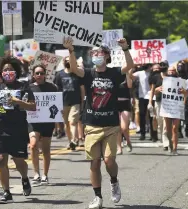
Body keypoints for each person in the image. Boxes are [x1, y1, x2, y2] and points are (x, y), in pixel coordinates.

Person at [62, 37, 133, 209]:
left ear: (107, 56)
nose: (96, 55)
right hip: (92, 124)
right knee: (94, 163)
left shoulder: (114, 73)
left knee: (109, 160)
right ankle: (98, 197)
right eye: (93, 53)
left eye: (99, 52)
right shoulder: (87, 73)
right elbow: (73, 68)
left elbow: (129, 67)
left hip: (110, 124)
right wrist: (71, 50)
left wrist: (125, 49)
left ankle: (114, 181)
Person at [0, 56, 36, 203]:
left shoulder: (23, 87)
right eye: (4, 70)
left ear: (15, 71)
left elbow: (33, 106)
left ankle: (24, 178)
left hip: (17, 128)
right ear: (1, 72)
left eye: (10, 69)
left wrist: (18, 101)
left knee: (18, 161)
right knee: (2, 160)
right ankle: (7, 192)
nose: (7, 72)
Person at [28, 64, 57, 186]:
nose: (39, 75)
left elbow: (56, 104)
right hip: (33, 121)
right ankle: (36, 173)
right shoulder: (28, 88)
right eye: (37, 73)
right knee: (33, 145)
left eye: (41, 73)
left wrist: (56, 115)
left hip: (47, 121)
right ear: (33, 75)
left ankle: (45, 175)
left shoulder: (52, 87)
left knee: (46, 149)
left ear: (45, 74)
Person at [161, 65, 187, 155]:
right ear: (167, 72)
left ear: (176, 72)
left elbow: (186, 94)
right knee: (168, 129)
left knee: (175, 128)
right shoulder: (163, 80)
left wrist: (184, 95)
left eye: (173, 71)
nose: (171, 72)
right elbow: (155, 90)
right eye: (169, 71)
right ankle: (170, 146)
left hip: (177, 107)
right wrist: (158, 89)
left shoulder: (181, 81)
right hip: (167, 107)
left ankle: (175, 149)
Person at [117, 69, 133, 154]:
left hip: (125, 103)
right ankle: (119, 148)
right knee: (117, 128)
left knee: (124, 127)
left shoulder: (126, 77)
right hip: (115, 103)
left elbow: (130, 85)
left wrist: (127, 73)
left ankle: (128, 141)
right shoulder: (113, 77)